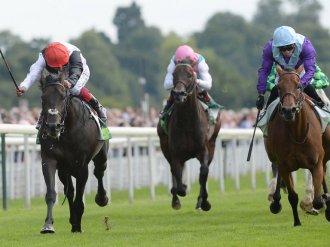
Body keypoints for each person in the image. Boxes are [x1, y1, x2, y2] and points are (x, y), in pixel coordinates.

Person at [16, 42, 107, 129]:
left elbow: (76, 70)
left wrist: (70, 81)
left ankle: (98, 106)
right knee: (51, 89)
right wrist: (24, 86)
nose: (60, 68)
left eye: (61, 65)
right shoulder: (44, 56)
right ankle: (44, 115)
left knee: (74, 89)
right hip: (57, 75)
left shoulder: (74, 53)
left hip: (79, 71)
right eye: (57, 66)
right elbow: (34, 73)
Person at [256, 25, 326, 110]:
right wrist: (261, 94)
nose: (286, 51)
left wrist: (301, 84)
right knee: (275, 90)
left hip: (301, 70)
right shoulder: (269, 49)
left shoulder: (306, 46)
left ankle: (322, 106)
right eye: (282, 49)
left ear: (294, 43)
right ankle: (265, 114)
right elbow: (264, 71)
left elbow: (310, 70)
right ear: (277, 46)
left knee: (309, 88)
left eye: (289, 47)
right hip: (283, 73)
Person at [160, 45, 219, 119]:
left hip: (197, 82)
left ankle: (212, 107)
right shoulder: (173, 61)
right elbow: (166, 85)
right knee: (176, 90)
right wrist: (179, 82)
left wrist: (196, 81)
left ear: (193, 61)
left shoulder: (200, 62)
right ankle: (166, 110)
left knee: (201, 89)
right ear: (178, 61)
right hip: (180, 82)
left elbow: (209, 85)